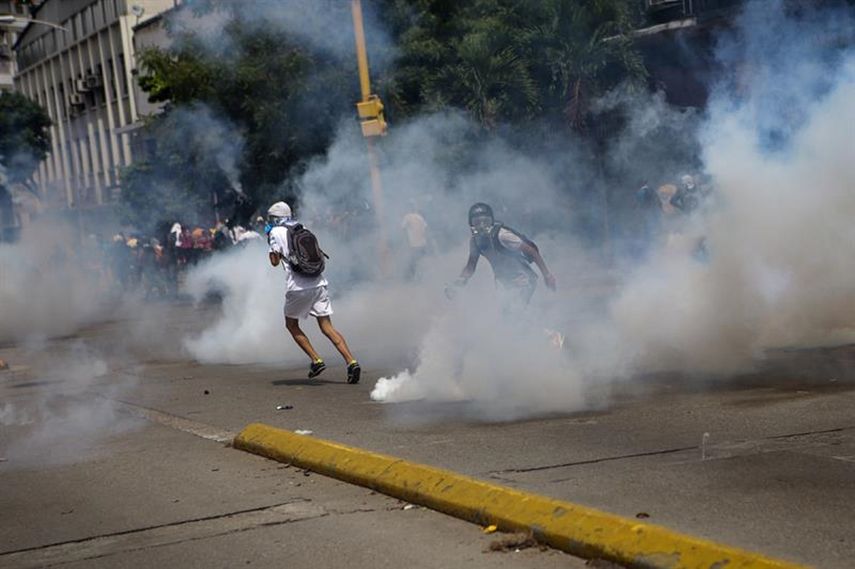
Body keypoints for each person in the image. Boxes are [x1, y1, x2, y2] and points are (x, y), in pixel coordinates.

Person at [266, 201, 362, 383]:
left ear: (276, 218)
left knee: (291, 325)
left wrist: (271, 245)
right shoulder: (302, 228)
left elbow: (274, 262)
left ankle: (316, 360)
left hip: (298, 286)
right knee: (327, 327)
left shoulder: (275, 232)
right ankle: (352, 362)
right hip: (318, 282)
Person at [451, 202, 556, 307]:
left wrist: (547, 275)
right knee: (507, 315)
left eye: (485, 221)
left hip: (524, 279)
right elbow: (470, 267)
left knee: (516, 312)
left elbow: (531, 251)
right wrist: (458, 283)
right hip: (504, 282)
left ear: (491, 221)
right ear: (471, 224)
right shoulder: (475, 242)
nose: (482, 226)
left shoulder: (502, 235)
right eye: (477, 222)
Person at [401, 205, 430, 280]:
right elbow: (426, 230)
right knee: (419, 262)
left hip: (414, 245)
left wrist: (405, 242)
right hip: (423, 244)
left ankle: (409, 279)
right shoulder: (420, 217)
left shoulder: (407, 216)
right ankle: (420, 278)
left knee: (412, 263)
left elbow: (403, 229)